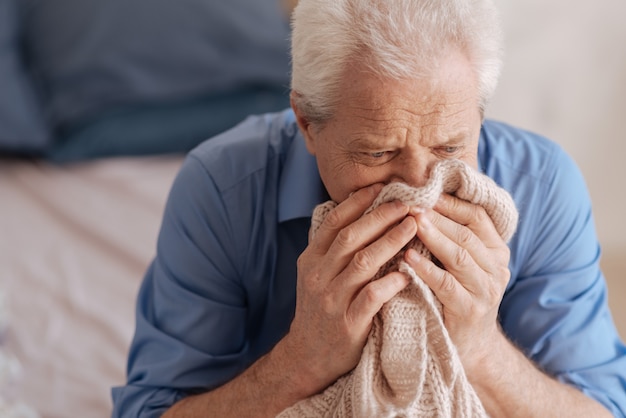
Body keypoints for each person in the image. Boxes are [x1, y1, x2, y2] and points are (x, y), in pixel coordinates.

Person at [112, 0, 626, 416]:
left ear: (479, 112)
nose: (420, 186)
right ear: (307, 124)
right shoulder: (221, 190)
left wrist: (481, 351)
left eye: (449, 148)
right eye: (378, 153)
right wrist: (301, 360)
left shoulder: (543, 187)